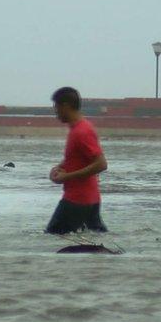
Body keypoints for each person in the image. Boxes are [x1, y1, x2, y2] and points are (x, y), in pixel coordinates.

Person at [46, 87, 109, 234]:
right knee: (96, 242)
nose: (56, 113)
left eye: (56, 107)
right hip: (89, 200)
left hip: (77, 201)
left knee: (52, 238)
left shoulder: (82, 131)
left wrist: (66, 177)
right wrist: (58, 168)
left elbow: (101, 164)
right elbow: (76, 159)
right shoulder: (77, 129)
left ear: (66, 106)